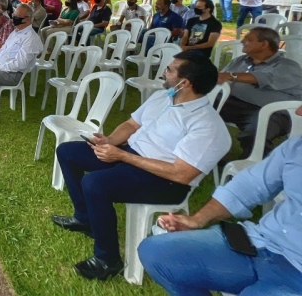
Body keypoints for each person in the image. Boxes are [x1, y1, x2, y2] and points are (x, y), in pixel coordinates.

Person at [52, 51, 231, 280]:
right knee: (68, 151)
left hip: (165, 179)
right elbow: (131, 124)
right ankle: (85, 218)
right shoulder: (162, 97)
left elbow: (182, 174)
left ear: (184, 82)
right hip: (131, 155)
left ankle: (107, 260)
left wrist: (123, 157)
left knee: (95, 183)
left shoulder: (207, 125)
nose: (164, 72)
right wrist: (108, 143)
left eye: (170, 69)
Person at [139, 104, 302, 296]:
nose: (299, 111)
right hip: (261, 244)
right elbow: (250, 185)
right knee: (157, 252)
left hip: (295, 273)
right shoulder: (296, 148)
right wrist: (197, 220)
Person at [217, 27, 302, 157]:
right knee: (195, 110)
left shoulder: (287, 66)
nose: (242, 41)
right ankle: (201, 154)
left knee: (255, 134)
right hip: (234, 103)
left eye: (249, 39)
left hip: (273, 111)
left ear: (264, 44)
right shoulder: (240, 61)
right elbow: (220, 80)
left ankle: (252, 168)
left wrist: (231, 75)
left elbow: (263, 78)